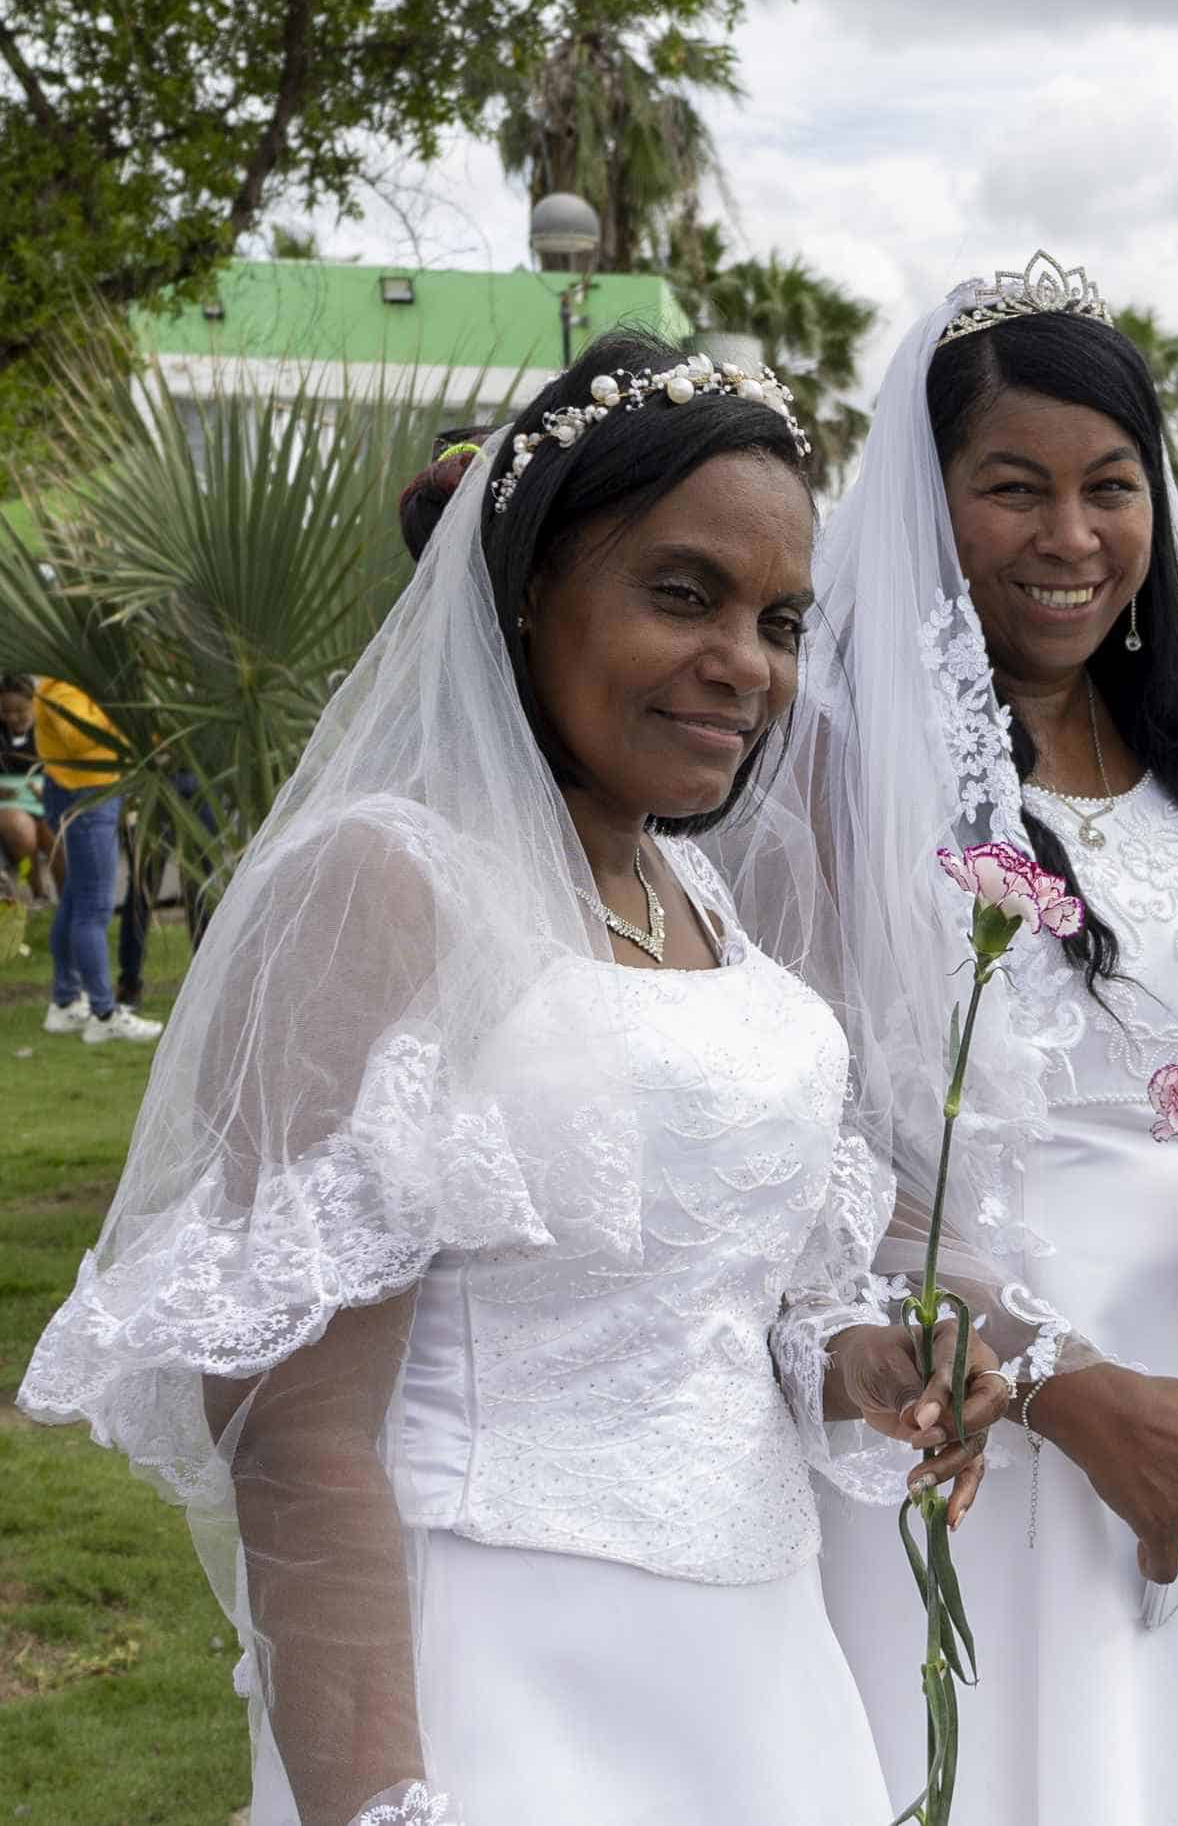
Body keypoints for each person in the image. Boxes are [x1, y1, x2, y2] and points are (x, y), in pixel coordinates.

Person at [19, 329, 1006, 1825]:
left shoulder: (699, 904)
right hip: (493, 1674)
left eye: (781, 619)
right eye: (684, 595)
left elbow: (716, 1306)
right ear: (531, 589)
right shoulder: (384, 888)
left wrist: (863, 1364)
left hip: (754, 1669)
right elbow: (292, 1430)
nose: (745, 663)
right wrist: (381, 1801)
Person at [728, 253, 1178, 1825]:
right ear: (927, 503)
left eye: (1111, 487)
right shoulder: (833, 773)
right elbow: (802, 1154)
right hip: (984, 1391)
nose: (1070, 538)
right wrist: (1061, 1386)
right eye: (1013, 489)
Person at [32, 674, 162, 1044]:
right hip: (87, 796)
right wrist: (122, 715)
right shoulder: (62, 682)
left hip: (93, 790)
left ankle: (65, 1000)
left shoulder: (84, 681)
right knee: (94, 907)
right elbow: (81, 739)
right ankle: (103, 1013)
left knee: (77, 896)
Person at [0, 674, 49, 905]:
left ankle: (71, 899)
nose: (13, 717)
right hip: (9, 800)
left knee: (51, 830)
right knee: (21, 831)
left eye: (20, 710)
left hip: (46, 793)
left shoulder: (48, 725)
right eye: (5, 711)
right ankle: (38, 893)